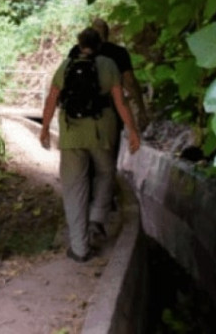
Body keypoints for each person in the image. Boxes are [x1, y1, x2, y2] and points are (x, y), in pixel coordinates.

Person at [40, 28, 141, 263]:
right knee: (105, 173)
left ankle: (80, 248)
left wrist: (45, 128)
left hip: (71, 134)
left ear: (79, 43)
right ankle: (96, 218)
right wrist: (133, 130)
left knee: (74, 188)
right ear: (100, 44)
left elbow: (52, 100)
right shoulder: (108, 65)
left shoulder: (65, 66)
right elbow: (120, 103)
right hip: (101, 133)